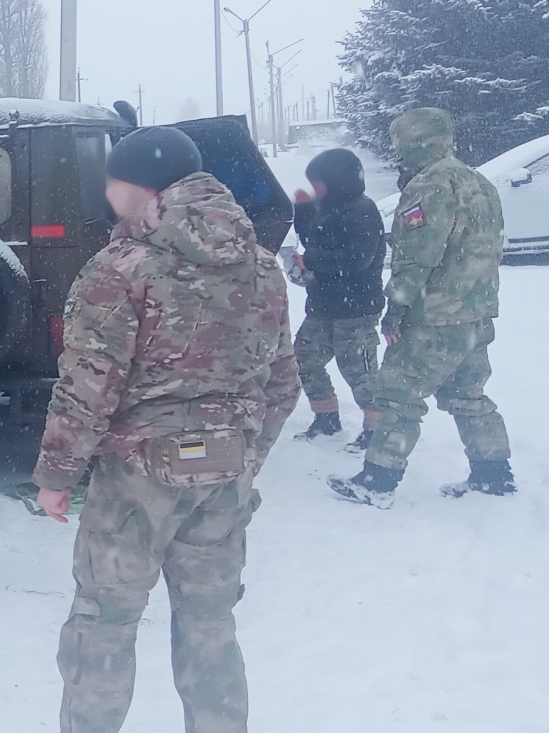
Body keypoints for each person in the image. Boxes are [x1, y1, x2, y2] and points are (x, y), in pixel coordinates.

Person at [34, 126, 300, 733]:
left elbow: (87, 388)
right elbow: (283, 382)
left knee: (103, 623)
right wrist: (245, 453)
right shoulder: (260, 264)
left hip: (139, 476)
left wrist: (56, 476)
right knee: (211, 626)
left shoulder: (121, 267)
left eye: (113, 179)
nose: (107, 192)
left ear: (140, 185)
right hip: (225, 470)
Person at [330, 108, 513, 506]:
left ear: (412, 143)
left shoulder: (429, 184)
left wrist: (396, 307)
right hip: (475, 312)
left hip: (435, 315)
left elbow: (417, 256)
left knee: (397, 394)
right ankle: (494, 473)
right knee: (469, 394)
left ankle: (377, 480)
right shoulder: (478, 180)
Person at [288, 149, 386, 443]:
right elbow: (314, 239)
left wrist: (312, 260)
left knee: (359, 371)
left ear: (336, 180)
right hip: (323, 304)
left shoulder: (362, 210)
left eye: (317, 182)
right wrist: (303, 211)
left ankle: (377, 432)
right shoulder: (330, 208)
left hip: (355, 308)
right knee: (304, 358)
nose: (315, 188)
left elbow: (357, 259)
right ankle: (326, 417)